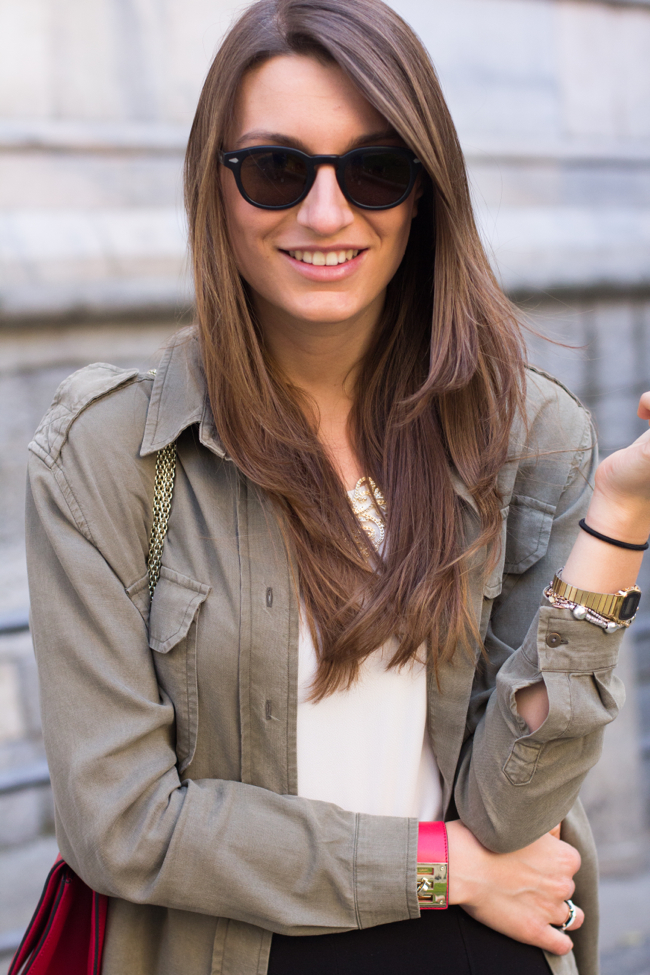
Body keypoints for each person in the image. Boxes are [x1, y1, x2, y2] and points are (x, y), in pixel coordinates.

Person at [25, 1, 650, 973]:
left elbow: (510, 810)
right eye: (277, 169)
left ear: (423, 193)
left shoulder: (527, 438)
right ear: (215, 184)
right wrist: (437, 867)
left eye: (375, 170)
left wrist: (620, 513)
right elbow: (122, 822)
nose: (325, 213)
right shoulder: (108, 453)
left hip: (472, 949)